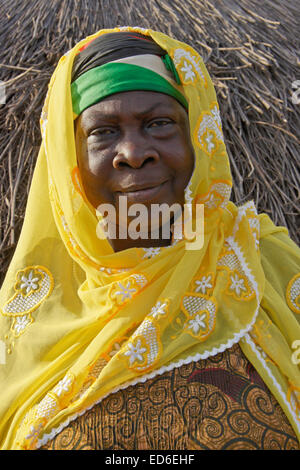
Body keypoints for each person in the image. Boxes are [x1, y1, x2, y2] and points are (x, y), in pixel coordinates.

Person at [0, 27, 299, 450]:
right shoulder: (33, 313)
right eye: (102, 132)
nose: (134, 153)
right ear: (70, 159)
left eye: (159, 124)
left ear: (198, 138)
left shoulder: (267, 268)